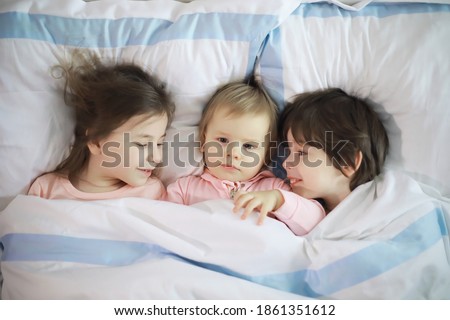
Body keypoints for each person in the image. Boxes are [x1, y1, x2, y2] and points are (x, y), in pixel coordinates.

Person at [165, 78, 325, 231]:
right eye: (222, 140)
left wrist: (278, 200)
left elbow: (317, 222)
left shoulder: (273, 189)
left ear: (267, 154)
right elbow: (160, 223)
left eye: (248, 146)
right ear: (203, 142)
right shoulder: (184, 189)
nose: (234, 153)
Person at [233, 88, 389, 235]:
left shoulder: (381, 207)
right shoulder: (300, 208)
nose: (286, 163)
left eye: (301, 153)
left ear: (347, 162)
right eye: (288, 151)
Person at [28, 50, 175, 200]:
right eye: (142, 144)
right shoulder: (46, 191)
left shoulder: (151, 193)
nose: (157, 157)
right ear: (96, 142)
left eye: (159, 143)